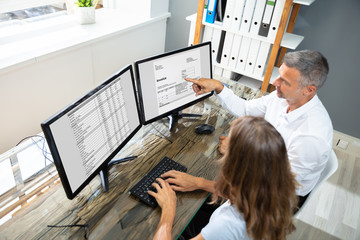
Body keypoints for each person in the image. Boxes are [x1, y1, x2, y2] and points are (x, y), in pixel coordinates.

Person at [185, 50, 333, 207]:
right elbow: (246, 108)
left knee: (192, 207)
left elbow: (269, 187)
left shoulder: (311, 137)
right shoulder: (283, 97)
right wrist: (218, 87)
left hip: (276, 200)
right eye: (279, 74)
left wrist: (235, 154)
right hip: (263, 170)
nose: (275, 82)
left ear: (308, 90)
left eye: (285, 81)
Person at [149, 116, 298, 240]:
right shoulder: (278, 187)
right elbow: (246, 194)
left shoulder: (226, 225)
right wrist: (199, 182)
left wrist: (168, 211)